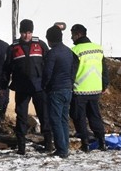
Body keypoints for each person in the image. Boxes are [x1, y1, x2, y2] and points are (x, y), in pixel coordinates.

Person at [7, 19, 51, 155]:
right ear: (20, 32)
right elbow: (7, 68)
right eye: (24, 33)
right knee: (21, 116)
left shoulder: (40, 45)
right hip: (22, 88)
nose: (27, 36)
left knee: (44, 115)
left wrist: (49, 83)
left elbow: (49, 64)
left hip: (39, 87)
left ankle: (48, 144)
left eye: (29, 32)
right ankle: (21, 146)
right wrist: (3, 85)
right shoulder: (13, 48)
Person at [69, 24, 108, 152]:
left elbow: (72, 71)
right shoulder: (98, 48)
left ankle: (85, 142)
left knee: (79, 116)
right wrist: (104, 84)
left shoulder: (75, 50)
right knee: (95, 115)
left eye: (72, 35)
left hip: (80, 89)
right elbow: (104, 69)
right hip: (95, 88)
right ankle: (101, 141)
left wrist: (69, 85)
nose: (71, 38)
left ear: (78, 35)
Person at [41, 24, 76, 158]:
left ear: (50, 39)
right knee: (63, 120)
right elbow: (73, 69)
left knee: (55, 120)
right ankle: (65, 146)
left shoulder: (52, 53)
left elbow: (47, 73)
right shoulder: (68, 51)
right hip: (67, 89)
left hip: (56, 90)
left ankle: (61, 149)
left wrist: (44, 86)